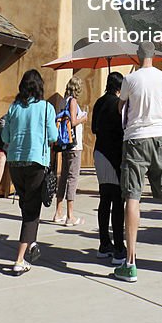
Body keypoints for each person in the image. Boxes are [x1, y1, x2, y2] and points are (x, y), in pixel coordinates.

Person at [114, 42, 162, 283]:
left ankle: (131, 261)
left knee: (133, 197)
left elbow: (121, 106)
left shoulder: (129, 79)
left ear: (137, 56)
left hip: (135, 138)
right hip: (159, 137)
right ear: (154, 56)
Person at [2, 69, 58, 275]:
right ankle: (20, 258)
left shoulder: (14, 108)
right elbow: (53, 136)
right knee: (32, 211)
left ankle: (31, 242)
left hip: (15, 161)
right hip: (36, 161)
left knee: (26, 205)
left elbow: (6, 135)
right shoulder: (46, 108)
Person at [92, 71, 126, 263]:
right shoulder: (117, 104)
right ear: (119, 87)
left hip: (99, 153)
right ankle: (119, 248)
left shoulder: (99, 102)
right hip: (113, 156)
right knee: (117, 202)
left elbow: (94, 128)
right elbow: (122, 130)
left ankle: (104, 243)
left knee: (104, 199)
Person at [54, 76, 88, 226]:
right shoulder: (73, 101)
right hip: (74, 145)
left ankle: (58, 212)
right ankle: (70, 216)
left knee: (63, 178)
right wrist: (83, 118)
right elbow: (73, 122)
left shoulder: (63, 101)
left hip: (64, 144)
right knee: (72, 179)